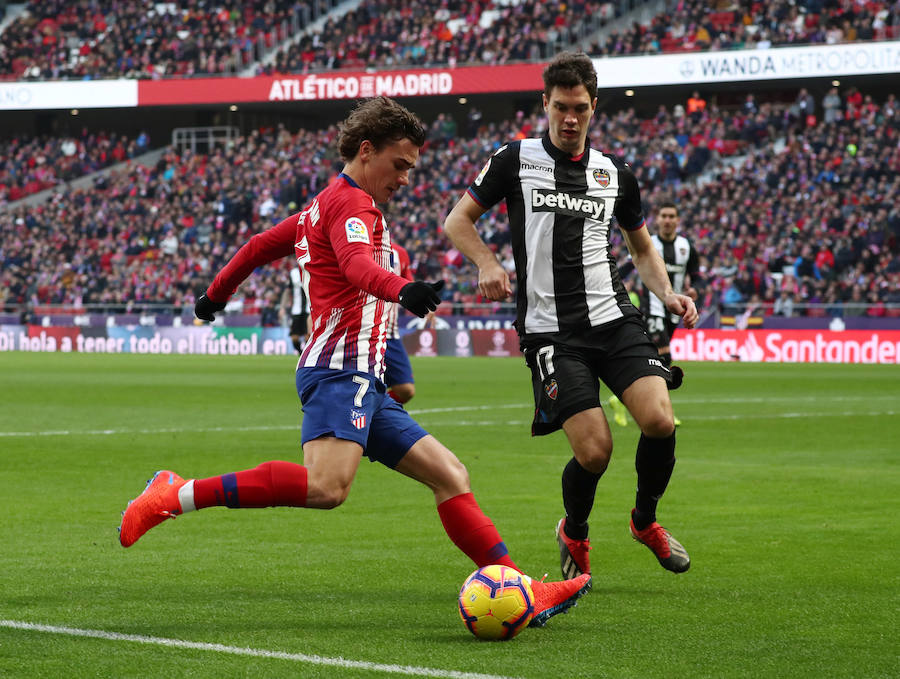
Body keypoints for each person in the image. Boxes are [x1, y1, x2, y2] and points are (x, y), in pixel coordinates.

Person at [118, 96, 590, 627]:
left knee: (450, 474)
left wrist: (213, 296)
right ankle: (172, 495)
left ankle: (525, 591)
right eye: (400, 165)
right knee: (326, 488)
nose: (406, 178)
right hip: (340, 370)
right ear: (367, 151)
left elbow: (256, 247)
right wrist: (404, 288)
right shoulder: (351, 206)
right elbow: (357, 265)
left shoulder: (323, 206)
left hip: (363, 377)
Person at [443, 53, 698, 581]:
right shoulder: (515, 159)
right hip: (550, 331)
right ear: (545, 103)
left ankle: (644, 521)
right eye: (560, 107)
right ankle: (575, 530)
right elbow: (457, 221)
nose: (569, 118)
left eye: (579, 108)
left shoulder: (615, 173)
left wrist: (669, 294)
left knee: (659, 420)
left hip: (613, 315)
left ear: (594, 107)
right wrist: (487, 262)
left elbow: (643, 249)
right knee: (595, 451)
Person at [621, 201, 702, 426]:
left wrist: (696, 288)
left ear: (677, 220)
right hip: (651, 307)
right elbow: (627, 267)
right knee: (665, 357)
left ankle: (624, 399)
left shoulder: (686, 247)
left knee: (655, 359)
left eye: (671, 216)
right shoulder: (648, 243)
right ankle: (664, 410)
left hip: (674, 311)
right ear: (657, 220)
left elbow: (697, 275)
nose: (667, 220)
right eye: (663, 216)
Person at [287, 264, 311, 353]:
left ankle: (306, 356)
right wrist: (285, 305)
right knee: (294, 338)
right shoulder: (293, 273)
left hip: (309, 309)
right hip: (296, 310)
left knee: (308, 336)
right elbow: (289, 290)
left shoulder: (311, 268)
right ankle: (301, 354)